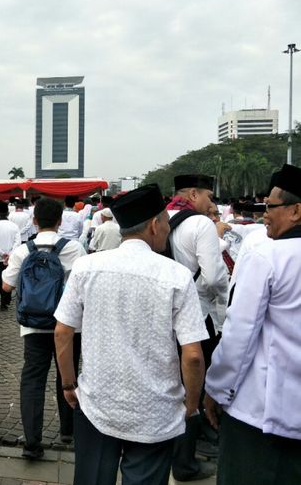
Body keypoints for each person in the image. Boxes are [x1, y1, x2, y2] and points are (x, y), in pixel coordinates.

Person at [54, 184, 208, 485]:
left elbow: (62, 332)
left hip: (96, 401)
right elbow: (192, 355)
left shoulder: (86, 267)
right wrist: (191, 404)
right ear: (154, 225)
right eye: (165, 222)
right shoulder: (177, 276)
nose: (167, 229)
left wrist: (69, 383)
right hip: (156, 410)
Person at [204, 164, 301, 485]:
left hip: (262, 410)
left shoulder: (268, 256)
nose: (264, 215)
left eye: (270, 207)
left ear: (296, 210)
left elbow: (239, 333)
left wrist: (216, 389)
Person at [2, 197, 87, 457]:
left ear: (34, 220)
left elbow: (7, 286)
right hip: (69, 327)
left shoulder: (22, 250)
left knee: (33, 380)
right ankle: (67, 431)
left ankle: (32, 443)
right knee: (68, 376)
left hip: (33, 328)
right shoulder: (75, 248)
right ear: (61, 221)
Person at [167, 174, 228, 481]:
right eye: (208, 196)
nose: (211, 203)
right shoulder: (201, 224)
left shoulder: (163, 218)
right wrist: (220, 298)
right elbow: (216, 276)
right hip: (197, 313)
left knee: (172, 381)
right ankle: (185, 462)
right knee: (193, 385)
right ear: (193, 194)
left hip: (165, 312)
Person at [0, 201, 20, 311]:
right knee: (8, 279)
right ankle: (5, 302)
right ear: (8, 213)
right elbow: (17, 243)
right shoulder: (14, 226)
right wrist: (9, 254)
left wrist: (2, 253)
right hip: (10, 258)